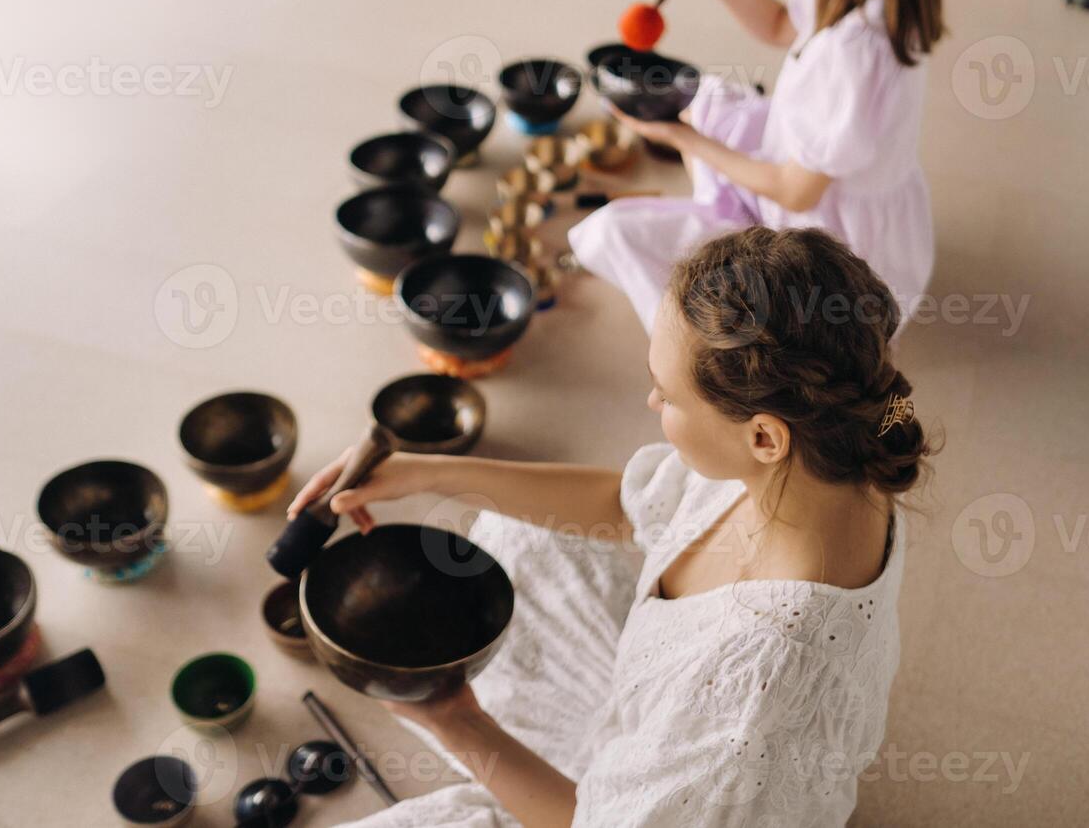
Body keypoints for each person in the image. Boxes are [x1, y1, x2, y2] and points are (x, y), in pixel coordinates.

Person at [289, 227, 934, 827]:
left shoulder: (749, 709)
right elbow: (628, 507)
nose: (652, 403)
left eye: (668, 395)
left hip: (686, 797)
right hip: (648, 724)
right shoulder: (835, 453)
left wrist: (457, 722)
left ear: (763, 436)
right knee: (520, 534)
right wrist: (425, 473)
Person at [570, 0, 944, 333]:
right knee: (707, 100)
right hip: (823, 185)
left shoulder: (858, 51)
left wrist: (681, 138)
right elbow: (779, 24)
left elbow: (795, 189)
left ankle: (712, 340)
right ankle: (729, 208)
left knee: (616, 232)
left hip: (828, 245)